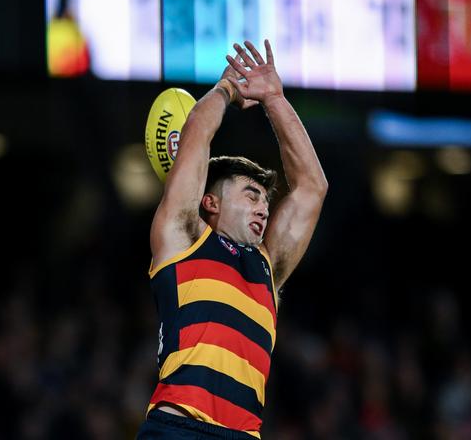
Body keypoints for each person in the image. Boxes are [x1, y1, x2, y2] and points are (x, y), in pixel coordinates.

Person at [136, 40, 328, 439]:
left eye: (266, 200)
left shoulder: (267, 268)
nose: (263, 208)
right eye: (250, 195)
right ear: (210, 202)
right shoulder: (183, 238)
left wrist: (274, 99)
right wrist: (226, 88)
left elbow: (312, 186)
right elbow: (197, 134)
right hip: (178, 427)